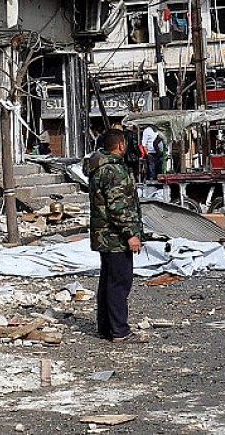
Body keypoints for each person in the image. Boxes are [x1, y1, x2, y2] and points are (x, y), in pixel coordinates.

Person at [85, 128, 144, 342]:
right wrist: (131, 234)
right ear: (120, 145)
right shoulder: (114, 170)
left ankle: (106, 327)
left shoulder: (99, 167)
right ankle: (119, 330)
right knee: (119, 283)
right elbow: (119, 207)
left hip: (104, 235)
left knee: (108, 282)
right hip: (115, 237)